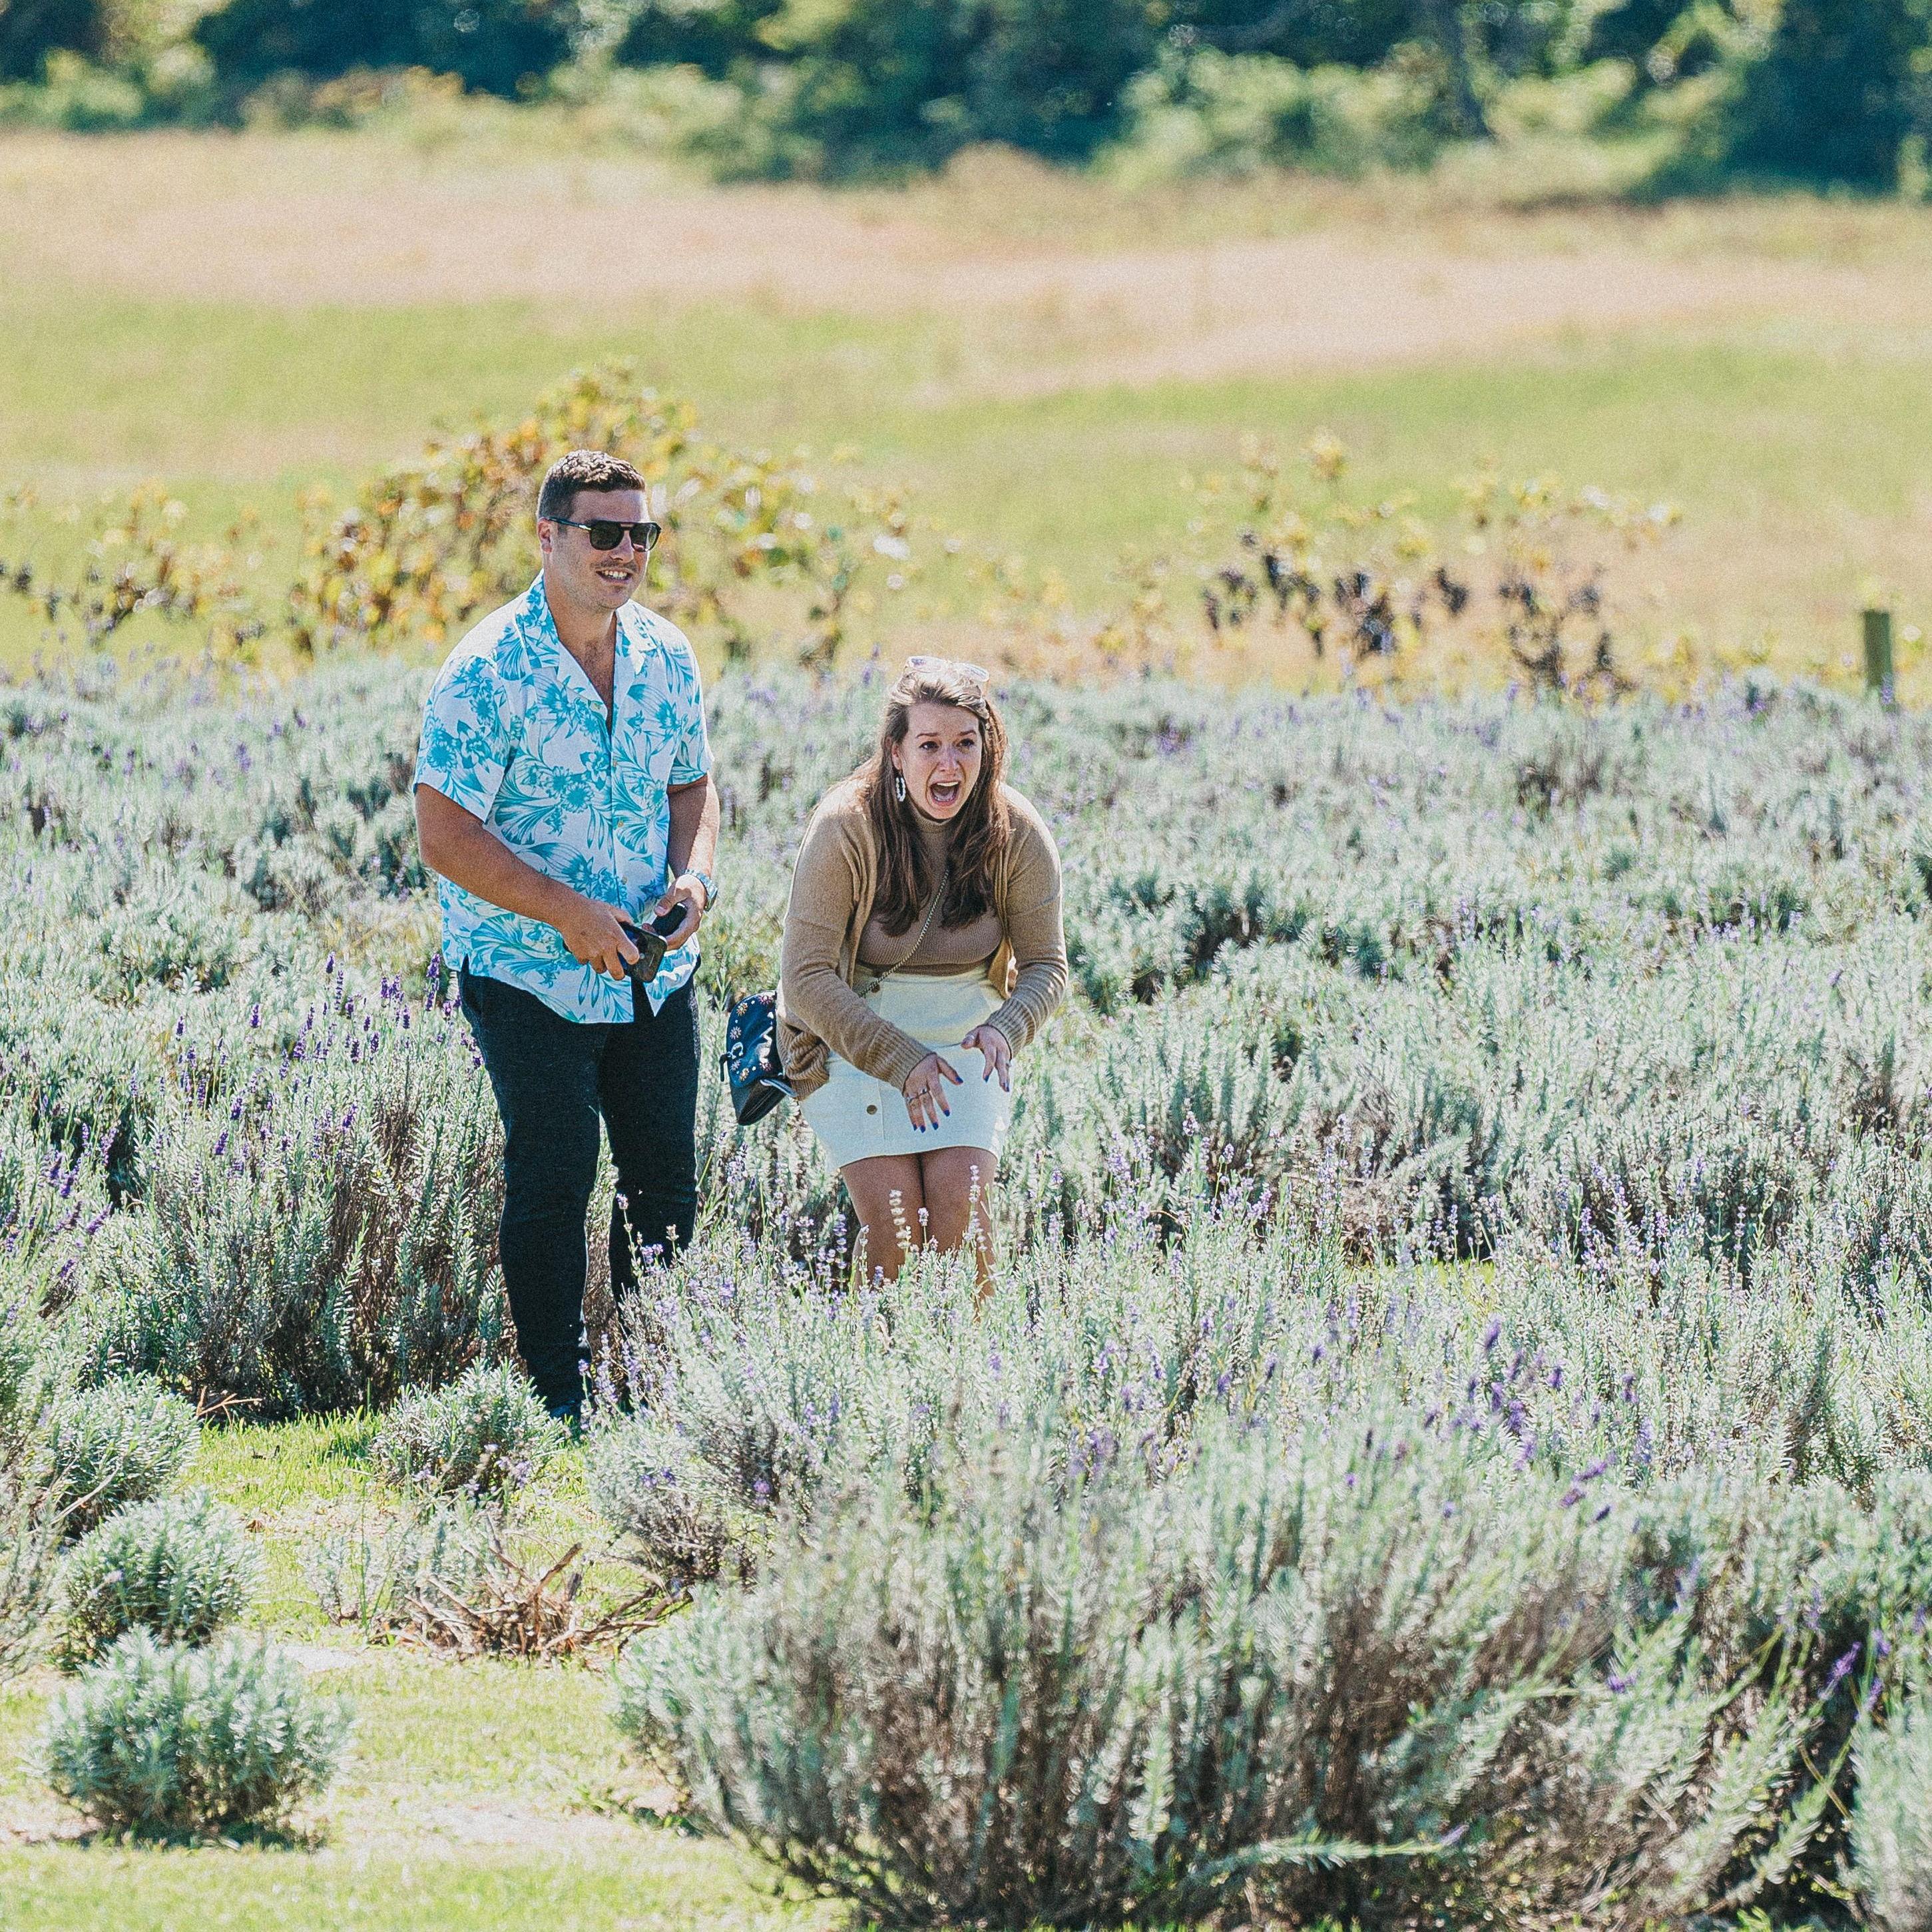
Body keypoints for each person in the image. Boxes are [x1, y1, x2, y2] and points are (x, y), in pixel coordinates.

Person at [413, 449, 720, 1423]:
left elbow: (691, 784)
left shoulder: (668, 653)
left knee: (665, 1177)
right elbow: (442, 831)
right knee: (554, 1173)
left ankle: (647, 1388)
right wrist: (563, 910)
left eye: (642, 533)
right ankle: (556, 1401)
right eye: (603, 531)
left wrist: (694, 879)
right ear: (547, 536)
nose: (625, 551)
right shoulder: (486, 668)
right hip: (526, 969)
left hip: (652, 971)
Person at [779, 656, 1066, 1292]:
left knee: (960, 1215)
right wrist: (902, 1059)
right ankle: (871, 1379)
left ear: (987, 748)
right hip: (851, 1030)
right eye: (929, 744)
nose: (949, 764)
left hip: (967, 1034)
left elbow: (1048, 967)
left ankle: (976, 1376)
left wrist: (1007, 1028)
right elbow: (805, 978)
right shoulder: (846, 826)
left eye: (966, 744)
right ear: (896, 752)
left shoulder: (1015, 831)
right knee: (896, 1228)